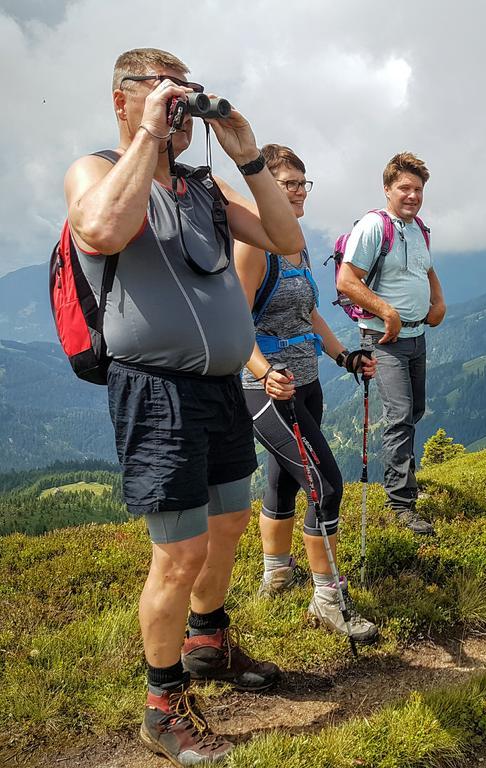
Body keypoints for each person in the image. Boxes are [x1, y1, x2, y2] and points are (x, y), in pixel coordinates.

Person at [62, 48, 304, 765]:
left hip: (221, 388)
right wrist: (147, 136)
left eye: (185, 96)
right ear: (121, 100)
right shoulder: (96, 169)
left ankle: (208, 643)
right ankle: (162, 705)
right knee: (179, 552)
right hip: (156, 390)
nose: (179, 109)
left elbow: (287, 240)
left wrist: (248, 155)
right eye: (162, 94)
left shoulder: (202, 188)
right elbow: (100, 231)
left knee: (229, 521)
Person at [234, 143, 378, 643]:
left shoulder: (295, 242)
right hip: (267, 390)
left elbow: (309, 313)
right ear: (265, 188)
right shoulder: (255, 244)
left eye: (302, 183)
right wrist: (263, 369)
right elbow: (235, 320)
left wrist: (344, 357)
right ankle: (327, 598)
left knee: (285, 481)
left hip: (307, 381)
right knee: (325, 484)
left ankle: (276, 575)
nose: (299, 192)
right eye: (288, 184)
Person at [336, 152, 446, 536]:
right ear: (387, 189)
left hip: (416, 336)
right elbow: (347, 281)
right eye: (405, 188)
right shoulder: (373, 226)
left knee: (414, 410)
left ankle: (405, 483)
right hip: (384, 339)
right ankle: (401, 504)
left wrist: (439, 301)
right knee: (399, 416)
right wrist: (387, 312)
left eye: (418, 189)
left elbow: (427, 268)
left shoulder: (419, 230)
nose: (412, 195)